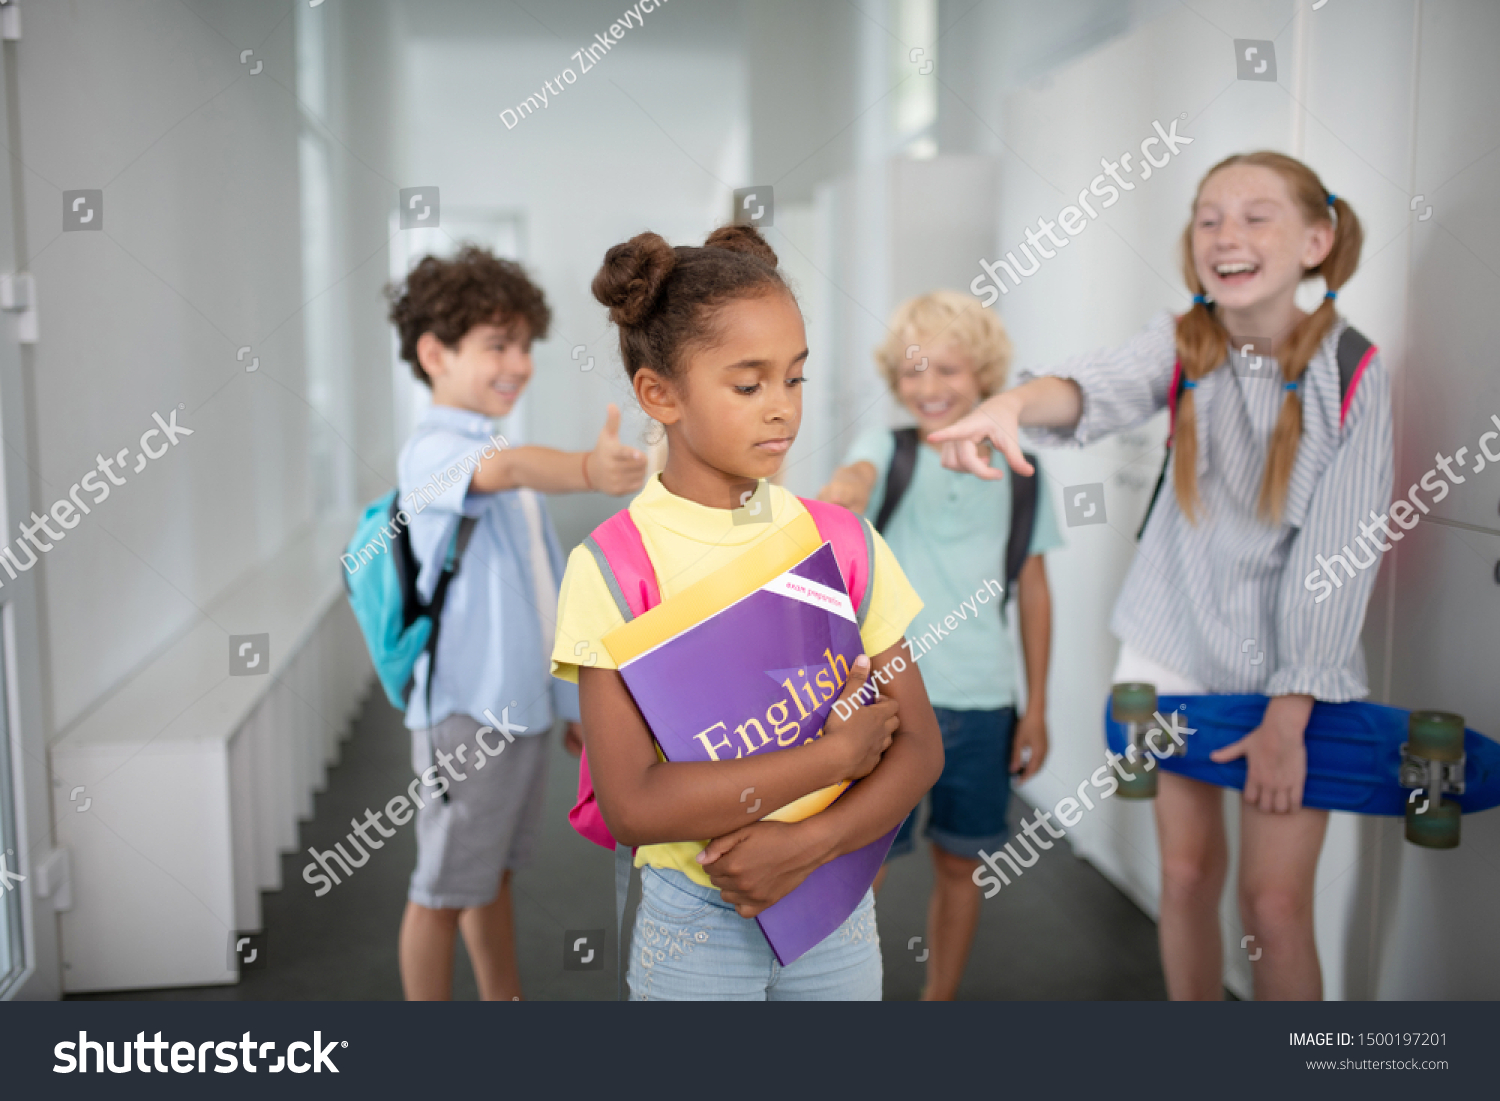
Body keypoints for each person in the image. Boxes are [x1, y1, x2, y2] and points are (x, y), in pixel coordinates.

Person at [931, 152, 1388, 1001]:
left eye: (1257, 216)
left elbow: (1338, 554)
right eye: (1209, 216)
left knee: (1276, 903)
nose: (1226, 235)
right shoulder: (1185, 342)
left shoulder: (1353, 372)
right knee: (1183, 878)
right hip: (1171, 645)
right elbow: (1092, 386)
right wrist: (1010, 405)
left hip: (1297, 673)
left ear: (1317, 240)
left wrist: (1290, 714)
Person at [550, 225, 945, 1000]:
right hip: (692, 915)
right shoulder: (612, 567)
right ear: (659, 393)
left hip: (835, 903)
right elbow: (633, 803)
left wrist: (808, 843)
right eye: (749, 384)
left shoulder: (842, 543)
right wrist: (834, 758)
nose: (782, 410)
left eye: (794, 380)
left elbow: (920, 748)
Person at [387, 245, 647, 1000]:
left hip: (518, 709)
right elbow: (511, 471)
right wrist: (588, 472)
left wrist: (567, 704)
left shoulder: (492, 446)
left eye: (525, 343)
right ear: (435, 353)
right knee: (441, 886)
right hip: (467, 715)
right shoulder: (436, 451)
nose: (520, 361)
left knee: (488, 872)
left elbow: (542, 593)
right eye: (497, 344)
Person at [818, 290, 1061, 1000]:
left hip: (984, 702)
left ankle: (939, 998)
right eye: (913, 372)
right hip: (887, 701)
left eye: (948, 371)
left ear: (986, 377)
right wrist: (842, 488)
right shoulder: (885, 452)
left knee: (964, 864)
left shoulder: (1023, 472)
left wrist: (1037, 707)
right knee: (864, 863)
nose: (928, 388)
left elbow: (1037, 592)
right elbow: (853, 480)